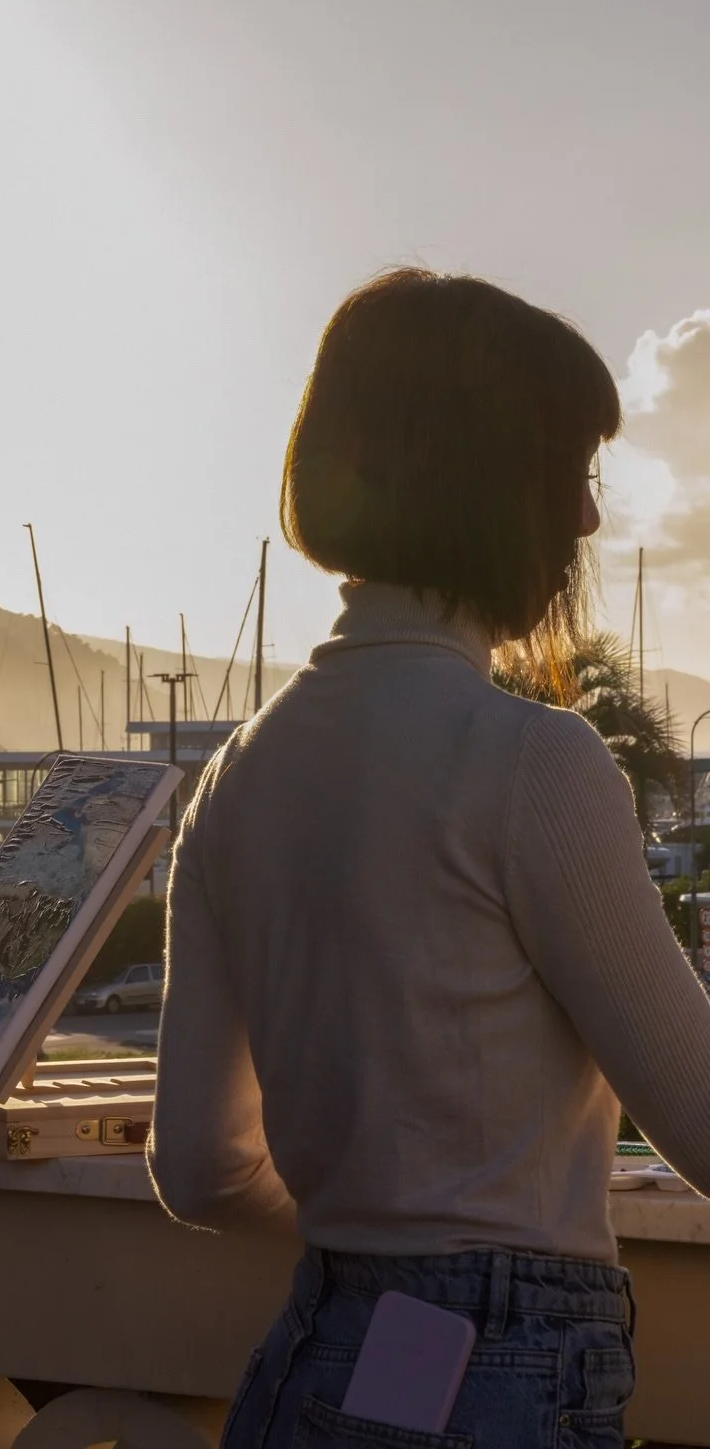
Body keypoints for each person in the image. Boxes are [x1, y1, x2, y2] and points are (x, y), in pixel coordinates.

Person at [150, 268, 710, 1447]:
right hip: (499, 1375)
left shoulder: (236, 777)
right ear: (493, 484)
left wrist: (384, 1239)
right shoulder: (527, 761)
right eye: (573, 475)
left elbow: (199, 1170)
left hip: (315, 1355)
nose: (588, 523)